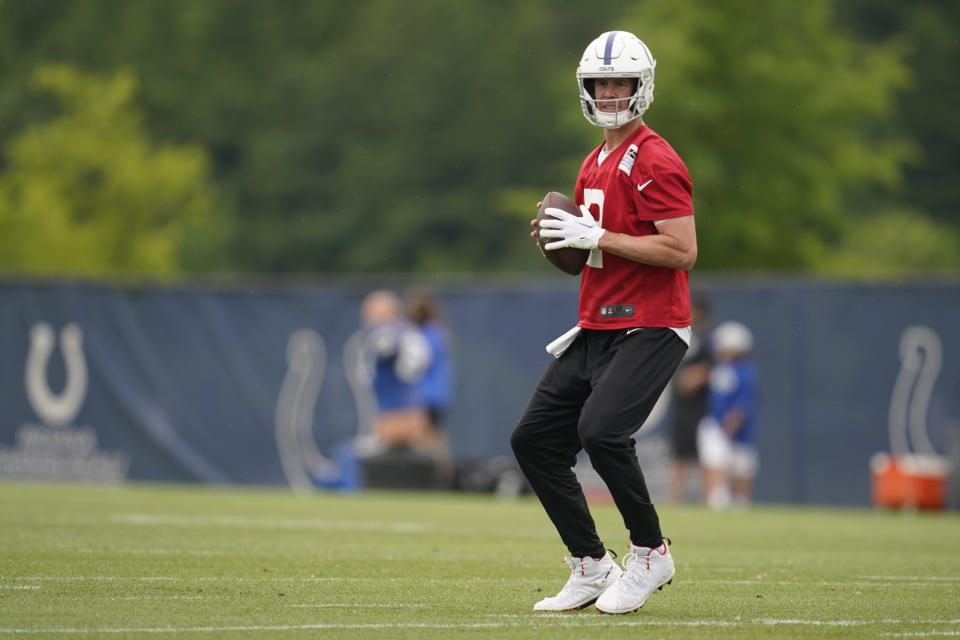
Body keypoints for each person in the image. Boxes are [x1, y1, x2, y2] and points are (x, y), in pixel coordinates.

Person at [510, 30, 697, 615]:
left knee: (602, 431)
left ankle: (650, 550)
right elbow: (590, 253)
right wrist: (564, 241)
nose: (610, 92)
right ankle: (591, 564)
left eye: (620, 82)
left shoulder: (657, 158)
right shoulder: (593, 161)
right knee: (534, 440)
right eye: (601, 82)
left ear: (641, 87)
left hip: (653, 323)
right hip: (599, 324)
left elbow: (681, 249)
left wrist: (601, 237)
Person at [357, 290, 432, 449]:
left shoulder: (401, 336)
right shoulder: (400, 336)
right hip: (389, 423)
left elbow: (411, 361)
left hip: (404, 423)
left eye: (376, 315)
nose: (371, 321)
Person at [698, 321, 758, 510]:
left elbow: (741, 405)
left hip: (734, 429)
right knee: (716, 464)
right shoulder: (721, 369)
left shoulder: (744, 372)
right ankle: (718, 500)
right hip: (716, 425)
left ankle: (736, 504)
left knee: (741, 469)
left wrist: (731, 425)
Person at [405, 287, 455, 487]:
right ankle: (441, 478)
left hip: (427, 396)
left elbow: (417, 363)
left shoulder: (423, 335)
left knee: (428, 440)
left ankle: (438, 480)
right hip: (440, 395)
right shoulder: (439, 331)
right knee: (435, 438)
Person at [667, 294, 712, 503]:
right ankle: (676, 500)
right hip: (681, 407)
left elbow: (712, 368)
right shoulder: (680, 335)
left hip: (700, 408)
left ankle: (706, 500)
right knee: (678, 456)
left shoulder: (707, 339)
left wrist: (695, 377)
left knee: (703, 457)